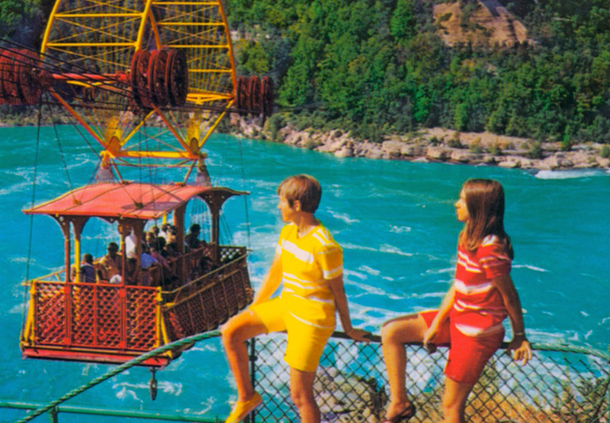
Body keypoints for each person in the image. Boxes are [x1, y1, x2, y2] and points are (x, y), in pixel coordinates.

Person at [380, 179, 532, 423]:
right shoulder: (468, 235)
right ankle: (399, 403)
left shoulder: (490, 248)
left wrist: (519, 336)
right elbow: (458, 285)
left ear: (478, 207)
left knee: (450, 407)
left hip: (476, 334)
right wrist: (437, 322)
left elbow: (510, 295)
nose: (456, 204)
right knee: (391, 332)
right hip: (457, 319)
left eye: (462, 199)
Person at [221, 174, 370, 423]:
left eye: (282, 201)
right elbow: (275, 273)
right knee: (231, 331)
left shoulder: (325, 246)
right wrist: (255, 307)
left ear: (297, 205)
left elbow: (338, 291)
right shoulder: (288, 232)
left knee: (300, 395)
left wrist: (348, 328)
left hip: (312, 319)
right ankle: (247, 397)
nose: (278, 206)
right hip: (287, 304)